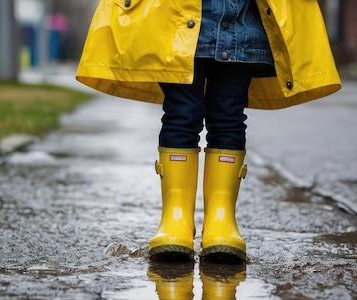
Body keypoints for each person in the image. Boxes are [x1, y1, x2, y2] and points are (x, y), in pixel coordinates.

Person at [76, 0, 341, 262]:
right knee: (182, 113)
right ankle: (176, 218)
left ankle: (221, 219)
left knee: (228, 113)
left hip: (242, 22)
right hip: (174, 19)